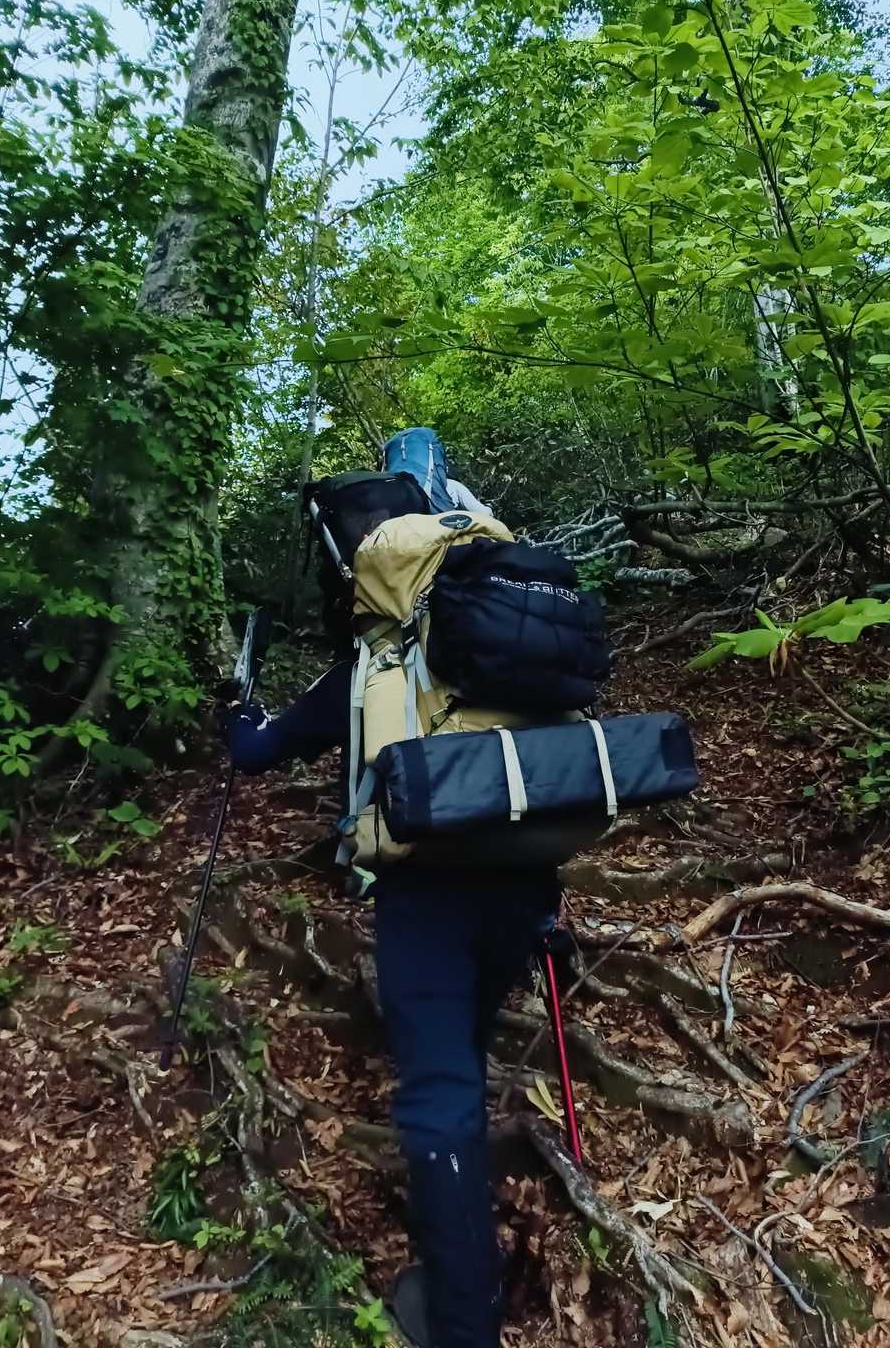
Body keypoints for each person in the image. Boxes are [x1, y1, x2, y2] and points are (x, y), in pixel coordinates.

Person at [217, 456, 558, 1348]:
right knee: (463, 1051)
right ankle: (476, 1229)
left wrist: (235, 717)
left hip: (426, 887)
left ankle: (462, 1320)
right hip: (528, 875)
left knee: (440, 1092)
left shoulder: (371, 666)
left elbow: (256, 753)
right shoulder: (504, 629)